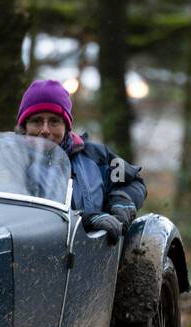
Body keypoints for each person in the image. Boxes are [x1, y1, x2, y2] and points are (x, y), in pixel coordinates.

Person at [15, 79, 146, 243]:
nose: (45, 130)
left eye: (54, 121)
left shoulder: (96, 156)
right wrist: (85, 220)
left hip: (93, 260)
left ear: (67, 126)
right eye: (36, 121)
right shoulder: (8, 160)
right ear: (24, 126)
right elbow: (17, 216)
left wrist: (122, 200)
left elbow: (133, 181)